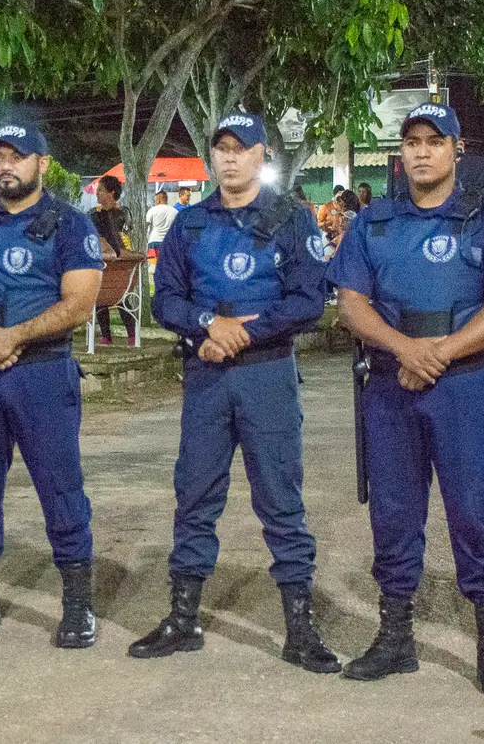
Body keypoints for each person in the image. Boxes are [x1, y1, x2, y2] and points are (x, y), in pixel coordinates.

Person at [327, 103, 484, 695]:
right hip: (390, 385)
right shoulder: (373, 223)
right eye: (412, 141)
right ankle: (396, 640)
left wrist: (436, 354)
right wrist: (404, 350)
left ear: (456, 150)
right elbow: (351, 304)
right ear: (401, 153)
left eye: (434, 141)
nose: (422, 151)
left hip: (464, 386)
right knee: (393, 513)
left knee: (473, 510)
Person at [131, 112, 339, 674]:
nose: (229, 158)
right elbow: (165, 299)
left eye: (240, 149)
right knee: (195, 495)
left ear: (260, 154)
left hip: (267, 374)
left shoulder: (291, 218)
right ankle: (183, 619)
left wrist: (243, 332)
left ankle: (300, 629)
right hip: (207, 375)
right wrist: (208, 324)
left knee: (281, 500)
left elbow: (308, 300)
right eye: (221, 148)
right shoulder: (190, 224)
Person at [0, 122, 105, 648]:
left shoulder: (70, 225)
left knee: (60, 487)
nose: (5, 166)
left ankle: (77, 606)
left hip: (43, 374)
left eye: (17, 156)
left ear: (42, 164)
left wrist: (14, 337)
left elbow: (80, 303)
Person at [90, 174, 137, 346]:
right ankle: (112, 336)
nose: (97, 194)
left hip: (117, 261)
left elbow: (118, 238)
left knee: (116, 296)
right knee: (107, 296)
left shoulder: (120, 214)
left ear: (112, 193)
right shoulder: (96, 215)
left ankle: (124, 335)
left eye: (101, 191)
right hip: (110, 261)